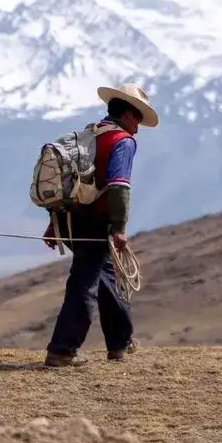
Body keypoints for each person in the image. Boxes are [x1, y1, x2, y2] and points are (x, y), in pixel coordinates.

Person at [42, 82, 158, 367]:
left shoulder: (88, 135)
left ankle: (119, 343)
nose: (139, 126)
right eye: (139, 118)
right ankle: (62, 350)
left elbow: (70, 186)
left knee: (106, 278)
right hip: (96, 224)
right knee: (84, 284)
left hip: (72, 221)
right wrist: (119, 227)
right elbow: (119, 186)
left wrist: (54, 225)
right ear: (129, 114)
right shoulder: (122, 141)